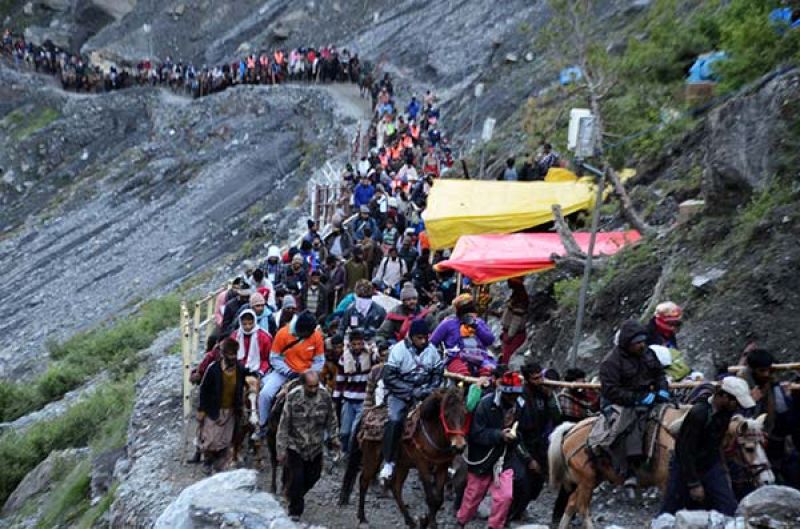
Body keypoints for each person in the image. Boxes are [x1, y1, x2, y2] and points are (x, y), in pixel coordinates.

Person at [660, 377, 755, 516]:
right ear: (722, 396)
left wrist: (722, 470)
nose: (737, 406)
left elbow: (716, 444)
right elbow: (684, 450)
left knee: (728, 506)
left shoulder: (725, 413)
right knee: (669, 510)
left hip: (710, 465)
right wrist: (694, 483)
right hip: (685, 466)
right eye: (735, 401)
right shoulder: (699, 413)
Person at [591, 319, 669, 488]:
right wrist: (636, 398)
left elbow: (659, 374)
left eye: (643, 341)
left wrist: (663, 389)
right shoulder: (611, 362)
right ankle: (629, 468)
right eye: (637, 343)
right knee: (628, 425)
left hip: (649, 395)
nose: (641, 345)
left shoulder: (648, 354)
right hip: (620, 401)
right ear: (627, 344)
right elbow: (611, 390)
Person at [456, 371, 524, 529]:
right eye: (510, 395)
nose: (513, 399)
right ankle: (461, 521)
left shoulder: (519, 406)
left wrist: (515, 437)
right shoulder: (485, 405)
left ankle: (495, 526)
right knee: (473, 496)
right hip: (482, 458)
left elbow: (523, 431)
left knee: (505, 496)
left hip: (504, 458)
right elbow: (476, 434)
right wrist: (499, 435)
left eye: (516, 395)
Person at [379, 319, 444, 483]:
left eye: (425, 338)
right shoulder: (398, 350)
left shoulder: (433, 351)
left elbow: (438, 375)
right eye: (419, 338)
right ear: (412, 336)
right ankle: (389, 461)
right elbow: (389, 378)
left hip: (425, 393)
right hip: (401, 393)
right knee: (394, 420)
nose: (423, 341)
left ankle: (444, 458)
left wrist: (427, 391)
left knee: (444, 418)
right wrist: (409, 392)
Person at [276, 370, 340, 521]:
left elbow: (332, 420)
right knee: (297, 478)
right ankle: (295, 512)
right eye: (310, 386)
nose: (313, 389)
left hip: (315, 446)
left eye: (316, 386)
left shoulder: (325, 397)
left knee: (314, 476)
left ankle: (293, 494)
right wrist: (281, 449)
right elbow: (284, 424)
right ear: (303, 385)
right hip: (295, 445)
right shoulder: (293, 397)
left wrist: (334, 439)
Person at [509, 361, 562, 521]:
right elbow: (515, 429)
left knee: (538, 482)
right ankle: (510, 513)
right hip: (521, 443)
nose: (540, 381)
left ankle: (522, 508)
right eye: (536, 378)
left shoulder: (545, 395)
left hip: (540, 444)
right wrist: (528, 458)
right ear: (528, 380)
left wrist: (550, 396)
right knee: (522, 480)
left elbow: (557, 417)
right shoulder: (521, 397)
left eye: (541, 377)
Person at [258, 311, 325, 434]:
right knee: (265, 394)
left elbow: (319, 360)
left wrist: (310, 373)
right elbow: (274, 358)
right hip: (284, 372)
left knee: (324, 397)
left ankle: (324, 433)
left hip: (308, 373)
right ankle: (263, 426)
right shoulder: (283, 333)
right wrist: (288, 372)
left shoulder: (316, 336)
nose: (308, 336)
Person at [739, 348, 794, 485]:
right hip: (750, 438)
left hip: (770, 433)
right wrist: (751, 401)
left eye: (768, 370)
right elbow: (739, 419)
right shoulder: (741, 384)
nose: (766, 374)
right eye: (762, 371)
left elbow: (782, 410)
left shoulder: (770, 382)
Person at [197, 336, 247, 474]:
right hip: (213, 408)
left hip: (230, 409)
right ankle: (207, 461)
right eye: (230, 354)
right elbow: (204, 389)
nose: (232, 357)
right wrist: (201, 409)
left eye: (234, 354)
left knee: (225, 441)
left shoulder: (240, 369)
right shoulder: (213, 369)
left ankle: (220, 466)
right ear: (223, 355)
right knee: (210, 439)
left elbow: (245, 380)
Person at [431, 294, 496, 377]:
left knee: (488, 372)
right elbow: (432, 342)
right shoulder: (448, 323)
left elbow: (490, 340)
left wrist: (476, 327)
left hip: (480, 357)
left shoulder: (478, 322)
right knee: (462, 375)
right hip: (456, 358)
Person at [334, 329, 374, 452]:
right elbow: (340, 379)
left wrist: (372, 349)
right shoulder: (344, 358)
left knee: (355, 431)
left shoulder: (370, 355)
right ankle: (344, 453)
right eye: (354, 344)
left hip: (363, 400)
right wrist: (336, 398)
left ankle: (353, 456)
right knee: (344, 432)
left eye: (360, 344)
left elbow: (378, 356)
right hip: (348, 400)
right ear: (350, 344)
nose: (357, 347)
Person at [229, 309, 271, 376]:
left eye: (250, 323)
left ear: (254, 321)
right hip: (236, 370)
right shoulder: (235, 336)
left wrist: (261, 372)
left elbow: (267, 359)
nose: (248, 327)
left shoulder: (264, 337)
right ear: (240, 323)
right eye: (244, 324)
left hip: (258, 371)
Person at [500, 277, 528, 364]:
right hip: (509, 332)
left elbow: (517, 319)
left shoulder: (520, 298)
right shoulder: (515, 295)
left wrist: (510, 335)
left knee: (507, 358)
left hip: (514, 335)